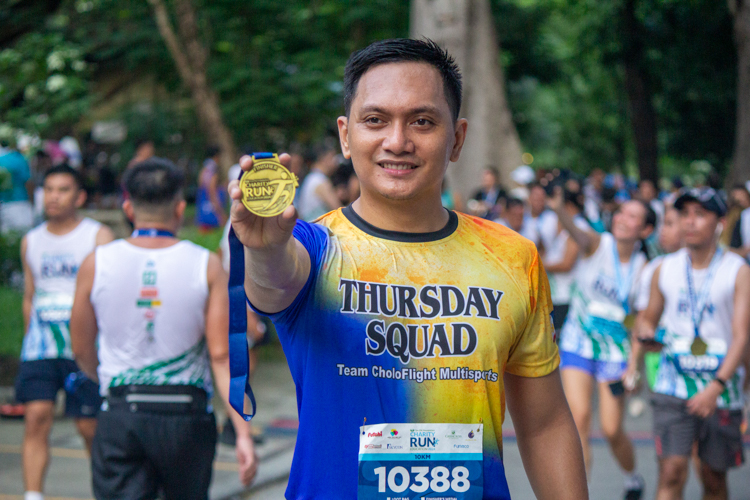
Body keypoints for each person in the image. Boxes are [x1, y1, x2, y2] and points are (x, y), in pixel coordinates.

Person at [228, 38, 587, 500]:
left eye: (422, 121)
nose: (397, 142)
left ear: (456, 138)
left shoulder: (512, 257)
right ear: (345, 134)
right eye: (375, 120)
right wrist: (262, 250)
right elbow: (275, 280)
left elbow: (544, 425)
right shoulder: (313, 247)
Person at [69, 158, 257, 498]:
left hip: (122, 412)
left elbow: (80, 347)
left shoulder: (96, 263)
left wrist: (109, 381)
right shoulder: (207, 265)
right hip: (186, 417)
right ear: (180, 207)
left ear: (128, 206)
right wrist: (242, 433)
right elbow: (220, 357)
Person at [638, 188, 749, 500]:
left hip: (720, 389)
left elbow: (742, 335)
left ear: (720, 223)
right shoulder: (664, 268)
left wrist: (716, 387)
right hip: (673, 386)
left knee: (714, 479)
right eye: (684, 214)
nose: (690, 222)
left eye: (700, 215)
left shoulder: (738, 272)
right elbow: (649, 317)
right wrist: (647, 334)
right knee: (671, 472)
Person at [15, 165, 114, 500]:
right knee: (36, 418)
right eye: (49, 189)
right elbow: (30, 295)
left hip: (83, 346)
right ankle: (33, 495)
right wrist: (30, 338)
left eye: (63, 189)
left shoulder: (97, 236)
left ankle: (107, 492)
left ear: (80, 196)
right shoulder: (31, 241)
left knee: (89, 426)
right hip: (41, 348)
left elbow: (109, 295)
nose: (54, 197)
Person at [551, 189, 657, 500]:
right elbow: (578, 235)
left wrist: (633, 365)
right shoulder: (598, 243)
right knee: (578, 419)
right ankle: (578, 493)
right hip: (577, 343)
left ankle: (633, 478)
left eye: (633, 217)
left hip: (615, 352)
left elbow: (640, 321)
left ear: (646, 230)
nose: (623, 219)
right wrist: (560, 210)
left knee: (612, 429)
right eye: (622, 212)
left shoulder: (646, 268)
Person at [541, 190, 588, 337]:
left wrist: (541, 264)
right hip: (557, 294)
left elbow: (567, 264)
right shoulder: (566, 227)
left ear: (567, 206)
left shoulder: (578, 226)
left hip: (567, 295)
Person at [296, 141, 342, 221]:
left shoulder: (310, 178)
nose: (335, 161)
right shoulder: (320, 180)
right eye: (332, 157)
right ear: (323, 158)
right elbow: (339, 211)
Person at [0, 139, 34, 233]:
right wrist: (32, 202)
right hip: (20, 204)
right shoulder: (18, 158)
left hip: (3, 205)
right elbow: (28, 182)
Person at [195, 145, 228, 230]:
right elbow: (212, 189)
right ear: (217, 156)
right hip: (212, 206)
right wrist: (219, 211)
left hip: (204, 204)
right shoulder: (214, 169)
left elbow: (201, 184)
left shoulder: (204, 169)